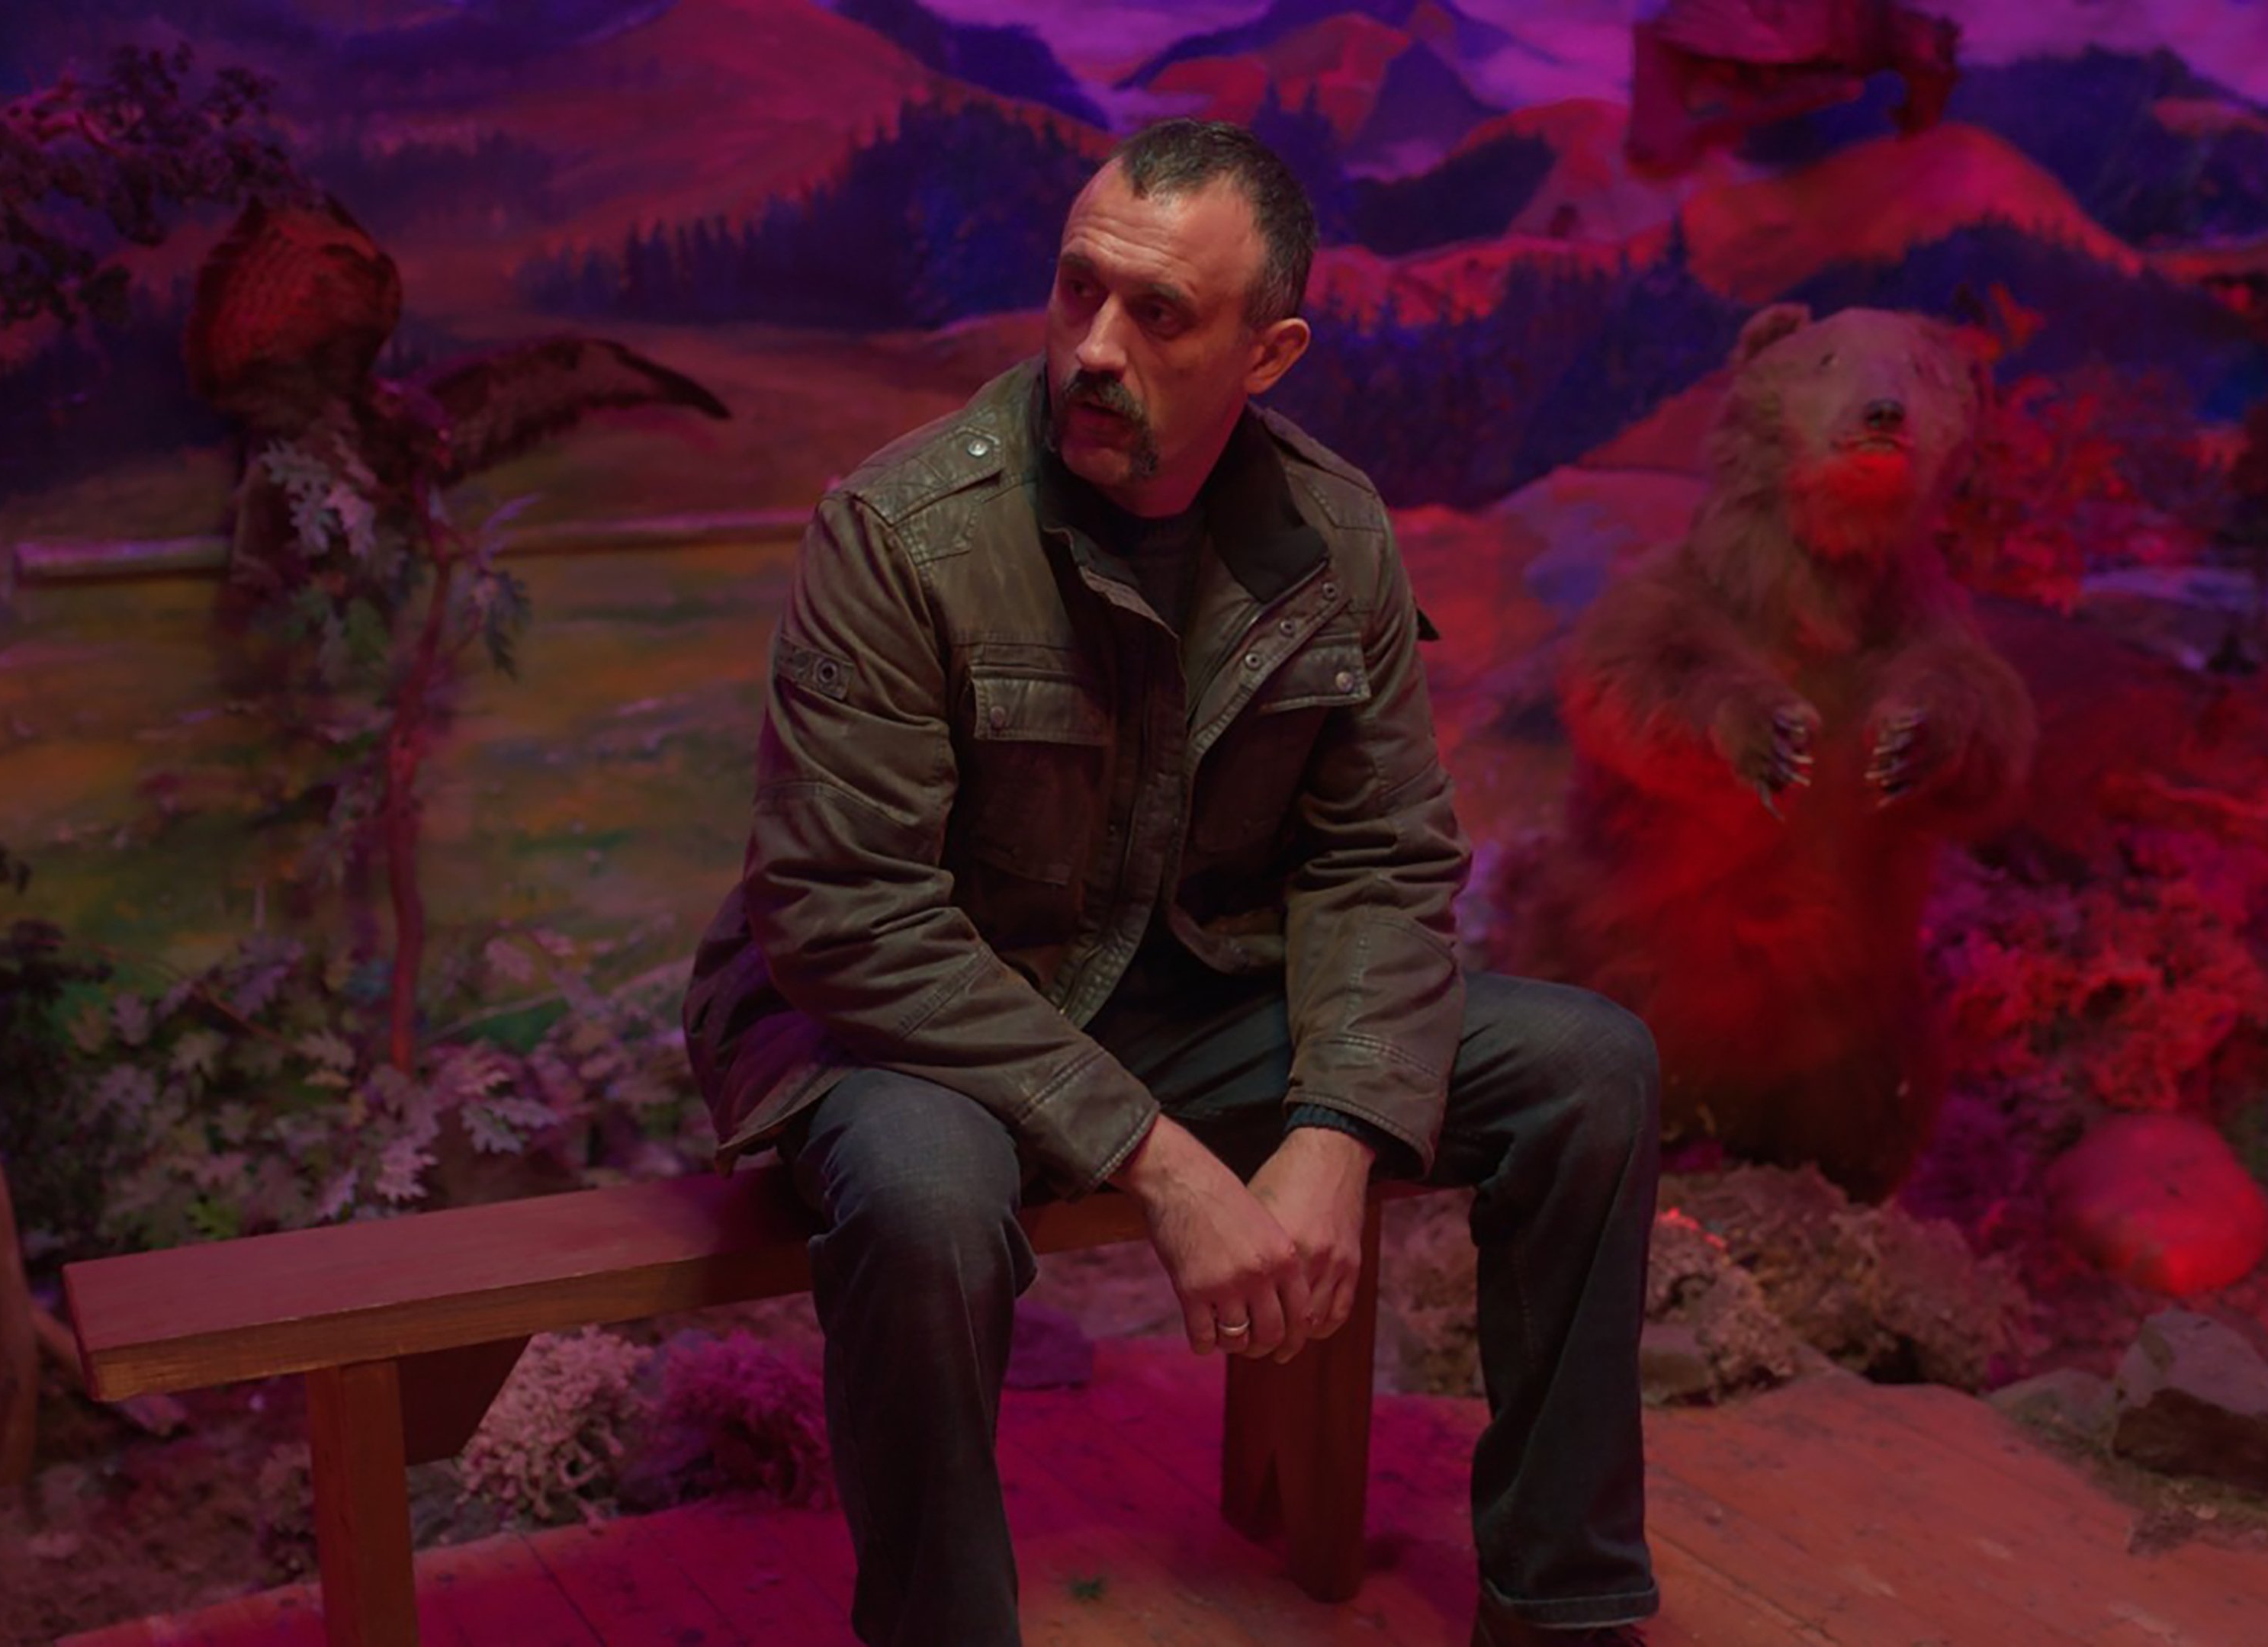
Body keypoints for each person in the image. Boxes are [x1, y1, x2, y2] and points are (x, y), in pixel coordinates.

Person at [682, 118, 1662, 1647]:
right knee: (928, 1198)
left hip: (1192, 998)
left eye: (1158, 315)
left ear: (1268, 353)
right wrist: (1165, 1164)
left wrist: (1338, 1129)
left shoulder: (1334, 535)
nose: (1094, 347)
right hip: (916, 1034)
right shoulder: (903, 533)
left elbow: (1381, 856)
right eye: (1078, 288)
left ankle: (1566, 1614)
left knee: (1588, 1069)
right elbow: (842, 916)